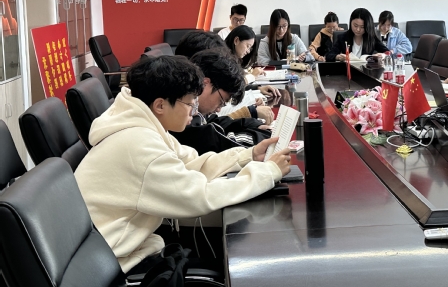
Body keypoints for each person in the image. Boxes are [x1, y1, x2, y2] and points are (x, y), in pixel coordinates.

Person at [74, 55, 291, 273]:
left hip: (121, 248)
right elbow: (200, 196)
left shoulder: (142, 125)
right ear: (160, 105)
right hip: (111, 265)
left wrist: (248, 156)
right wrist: (267, 173)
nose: (194, 111)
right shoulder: (140, 145)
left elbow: (192, 163)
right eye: (189, 103)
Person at [172, 50, 273, 152]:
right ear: (205, 84)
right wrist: (263, 134)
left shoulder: (195, 111)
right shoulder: (183, 118)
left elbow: (215, 123)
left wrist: (253, 124)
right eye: (221, 101)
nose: (219, 109)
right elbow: (226, 144)